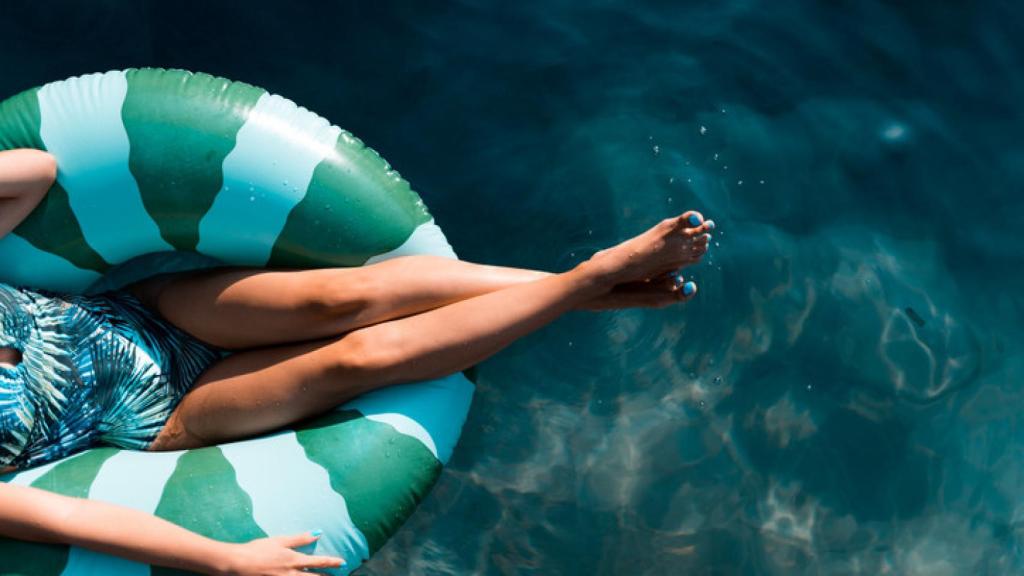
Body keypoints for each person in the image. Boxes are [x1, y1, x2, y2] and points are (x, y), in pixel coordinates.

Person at [0, 148, 713, 575]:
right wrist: (222, 559)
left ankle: (581, 293)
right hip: (167, 416)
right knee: (361, 359)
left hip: (147, 313)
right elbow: (64, 520)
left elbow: (37, 171)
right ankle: (589, 281)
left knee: (343, 299)